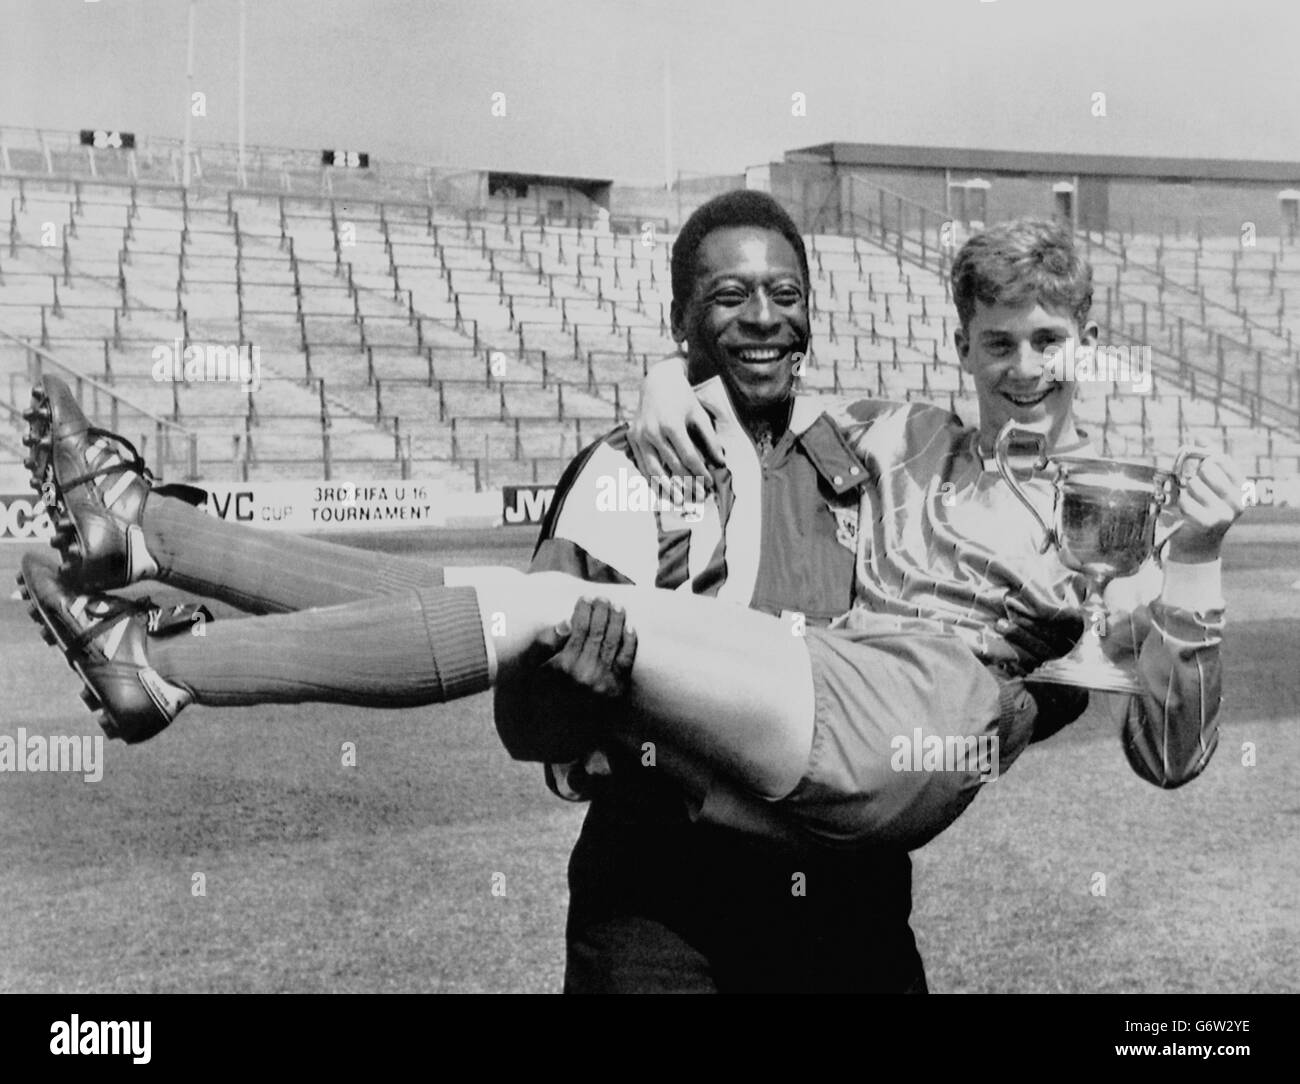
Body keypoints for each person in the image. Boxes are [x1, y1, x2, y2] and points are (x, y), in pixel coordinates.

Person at [494, 190, 959, 992]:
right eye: (729, 295)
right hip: (660, 906)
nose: (763, 318)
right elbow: (521, 721)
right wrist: (571, 696)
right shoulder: (620, 473)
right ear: (681, 317)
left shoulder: (872, 468)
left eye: (785, 294)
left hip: (849, 904)